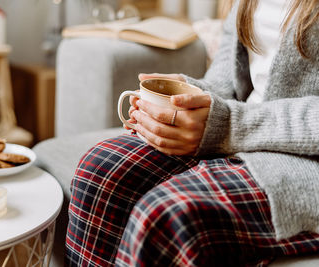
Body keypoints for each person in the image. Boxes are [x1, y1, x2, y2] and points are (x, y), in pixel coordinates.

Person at [65, 0, 319, 266]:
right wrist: (186, 96)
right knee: (99, 172)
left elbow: (233, 119)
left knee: (165, 217)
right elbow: (227, 81)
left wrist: (229, 125)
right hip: (249, 135)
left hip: (304, 162)